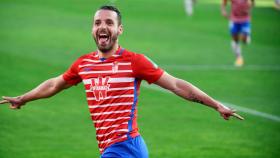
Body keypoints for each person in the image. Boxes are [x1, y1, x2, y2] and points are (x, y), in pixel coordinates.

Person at [0, 5, 243, 158]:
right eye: (97, 23)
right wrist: (24, 98)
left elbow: (177, 85)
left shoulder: (134, 61)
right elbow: (54, 84)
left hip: (124, 146)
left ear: (119, 30)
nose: (102, 27)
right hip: (116, 148)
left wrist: (216, 104)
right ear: (92, 29)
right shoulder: (83, 64)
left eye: (109, 23)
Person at [221, 0, 254, 67]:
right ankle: (239, 57)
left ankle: (246, 38)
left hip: (245, 19)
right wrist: (223, 11)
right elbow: (224, 2)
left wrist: (250, 8)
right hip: (234, 19)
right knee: (235, 39)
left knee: (244, 39)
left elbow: (252, 2)